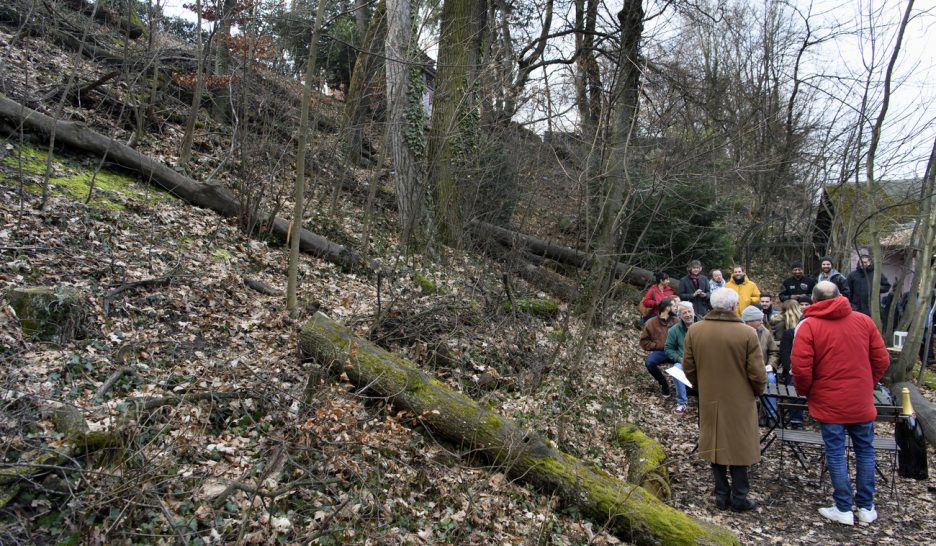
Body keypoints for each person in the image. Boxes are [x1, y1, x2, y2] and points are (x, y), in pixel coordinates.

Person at [791, 281, 889, 526]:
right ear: (839, 296)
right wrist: (867, 382)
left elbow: (801, 369)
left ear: (813, 299)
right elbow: (881, 360)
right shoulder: (863, 321)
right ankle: (866, 506)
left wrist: (806, 392)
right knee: (865, 450)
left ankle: (844, 507)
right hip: (859, 399)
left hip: (829, 401)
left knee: (836, 452)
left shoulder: (809, 326)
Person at [683, 288, 767, 512]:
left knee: (715, 445)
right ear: (733, 306)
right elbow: (758, 373)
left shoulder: (695, 331)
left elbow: (688, 368)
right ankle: (740, 497)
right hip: (741, 398)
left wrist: (702, 387)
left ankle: (721, 495)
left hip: (709, 396)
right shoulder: (747, 333)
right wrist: (757, 391)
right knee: (739, 447)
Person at [741, 305, 780, 425]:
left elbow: (774, 352)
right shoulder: (738, 333)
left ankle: (771, 415)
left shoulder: (765, 333)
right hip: (743, 370)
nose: (761, 322)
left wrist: (771, 365)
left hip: (762, 369)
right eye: (758, 320)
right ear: (749, 321)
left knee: (770, 379)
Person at [639, 297, 679, 397]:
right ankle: (663, 384)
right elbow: (644, 342)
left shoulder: (677, 321)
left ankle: (687, 389)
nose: (676, 308)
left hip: (676, 352)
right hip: (661, 352)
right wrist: (657, 345)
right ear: (667, 308)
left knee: (688, 363)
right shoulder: (651, 323)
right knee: (649, 362)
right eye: (674, 306)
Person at [777, 299, 804, 429]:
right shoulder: (789, 333)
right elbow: (785, 355)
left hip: (811, 369)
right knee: (794, 382)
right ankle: (796, 419)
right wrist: (791, 369)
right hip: (793, 370)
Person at [665, 301, 695, 415]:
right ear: (680, 316)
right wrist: (680, 359)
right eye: (684, 313)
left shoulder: (704, 326)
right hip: (685, 361)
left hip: (704, 361)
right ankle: (682, 402)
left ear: (694, 312)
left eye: (689, 311)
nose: (688, 315)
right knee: (676, 369)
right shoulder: (674, 330)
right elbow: (668, 348)